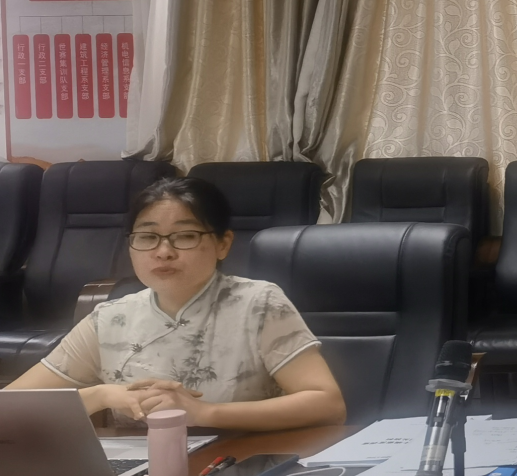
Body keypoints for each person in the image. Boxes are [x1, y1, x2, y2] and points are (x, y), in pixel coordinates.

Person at [4, 176, 347, 431]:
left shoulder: (258, 302)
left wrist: (204, 413)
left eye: (185, 236)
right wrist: (100, 396)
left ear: (223, 244)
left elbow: (327, 404)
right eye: (147, 237)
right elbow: (10, 406)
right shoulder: (110, 318)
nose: (163, 251)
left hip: (240, 466)